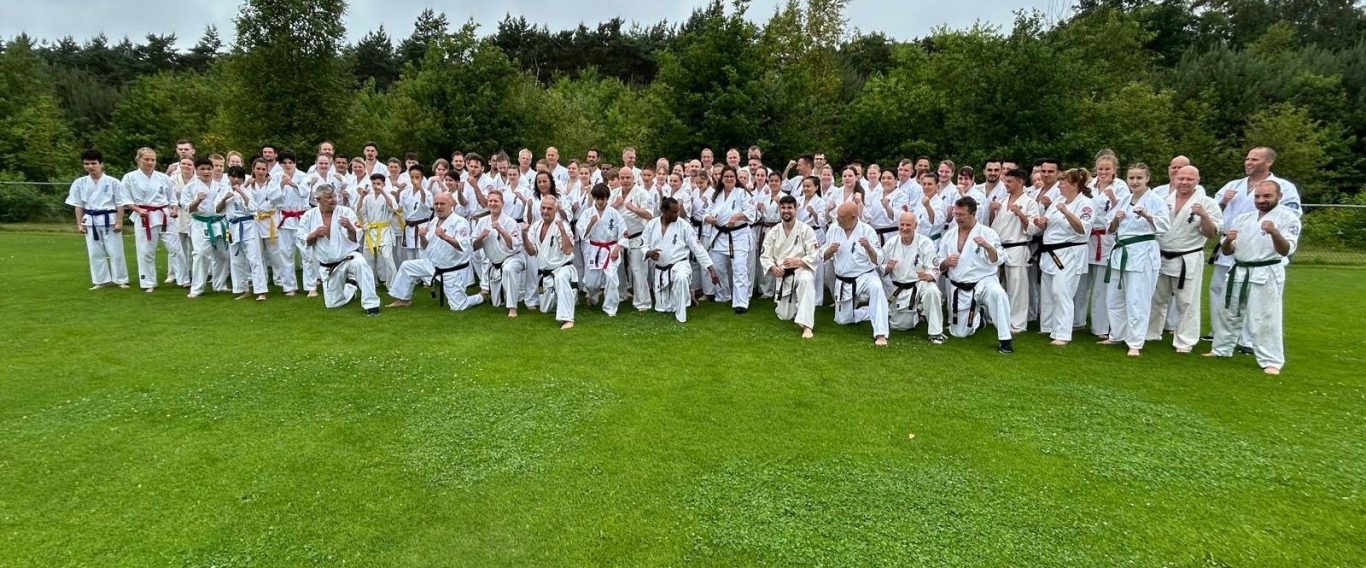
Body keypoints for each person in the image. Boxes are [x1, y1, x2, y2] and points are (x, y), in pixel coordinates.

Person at [1207, 147, 1302, 344]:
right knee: (1220, 289)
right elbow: (1213, 212)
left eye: (1254, 159)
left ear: (1269, 162)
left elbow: (1291, 215)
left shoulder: (1284, 187)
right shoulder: (1233, 185)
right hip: (1230, 243)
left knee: (1256, 297)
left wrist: (1269, 229)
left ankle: (1249, 339)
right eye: (1248, 159)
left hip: (1263, 247)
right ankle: (1220, 333)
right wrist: (1224, 201)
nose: (1248, 162)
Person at [1148, 165, 1221, 353]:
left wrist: (1204, 216)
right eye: (1181, 178)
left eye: (1189, 179)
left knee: (1187, 301)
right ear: (1174, 179)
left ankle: (1185, 340)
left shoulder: (1208, 203)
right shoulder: (1164, 200)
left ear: (1198, 180)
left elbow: (1211, 233)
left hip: (1187, 258)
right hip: (1162, 254)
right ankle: (1151, 333)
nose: (1184, 182)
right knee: (1156, 298)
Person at [1102, 164, 1171, 356]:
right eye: (1131, 178)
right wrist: (1116, 220)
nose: (1135, 181)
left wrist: (1147, 215)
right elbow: (1111, 228)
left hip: (1143, 253)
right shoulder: (1124, 200)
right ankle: (1117, 334)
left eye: (1139, 178)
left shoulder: (1155, 200)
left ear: (1147, 178)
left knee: (1137, 300)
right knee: (1114, 297)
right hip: (1120, 252)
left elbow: (1164, 226)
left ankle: (1135, 342)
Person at [936, 197, 1013, 352]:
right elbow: (938, 262)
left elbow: (998, 258)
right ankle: (979, 316)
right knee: (959, 333)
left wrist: (987, 246)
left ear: (973, 214)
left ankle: (1005, 339)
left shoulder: (987, 233)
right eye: (956, 214)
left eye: (962, 215)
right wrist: (946, 262)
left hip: (984, 281)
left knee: (998, 294)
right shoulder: (949, 236)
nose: (958, 218)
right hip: (960, 285)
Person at [388, 192, 483, 311]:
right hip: (433, 264)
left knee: (458, 306)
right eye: (436, 204)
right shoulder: (434, 221)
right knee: (407, 266)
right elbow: (426, 246)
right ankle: (404, 299)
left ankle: (481, 297)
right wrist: (422, 237)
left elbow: (463, 247)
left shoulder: (460, 222)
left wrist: (445, 237)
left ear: (451, 204)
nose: (438, 207)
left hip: (451, 269)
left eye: (442, 204)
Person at [300, 187, 380, 315]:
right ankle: (351, 286)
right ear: (318, 199)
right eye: (328, 197)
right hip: (329, 265)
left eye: (334, 196)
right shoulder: (309, 216)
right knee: (333, 304)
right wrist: (314, 234)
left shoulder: (346, 212)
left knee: (361, 264)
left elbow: (356, 238)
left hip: (349, 257)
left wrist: (350, 227)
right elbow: (304, 242)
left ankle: (371, 305)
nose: (333, 200)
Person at [1036, 168, 1094, 345]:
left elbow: (1083, 229)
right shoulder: (1058, 201)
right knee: (1048, 292)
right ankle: (1048, 327)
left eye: (1062, 183)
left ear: (1074, 185)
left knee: (1062, 292)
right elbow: (1046, 224)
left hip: (1070, 253)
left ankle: (1062, 333)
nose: (1059, 186)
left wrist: (1067, 212)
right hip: (1050, 252)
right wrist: (1041, 222)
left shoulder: (1086, 204)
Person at [644, 197, 720, 323]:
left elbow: (698, 249)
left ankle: (681, 317)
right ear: (663, 211)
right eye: (673, 212)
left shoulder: (684, 225)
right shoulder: (651, 225)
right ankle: (688, 295)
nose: (677, 214)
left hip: (680, 264)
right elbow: (643, 244)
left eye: (677, 211)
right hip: (661, 269)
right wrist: (648, 252)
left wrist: (711, 270)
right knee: (664, 308)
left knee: (681, 278)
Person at [823, 201, 889, 346]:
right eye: (837, 215)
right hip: (844, 279)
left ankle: (881, 334)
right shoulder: (833, 228)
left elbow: (878, 260)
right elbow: (823, 255)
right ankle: (870, 311)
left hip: (865, 275)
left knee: (877, 287)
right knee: (842, 320)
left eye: (841, 216)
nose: (837, 218)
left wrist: (868, 248)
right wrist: (829, 251)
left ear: (853, 217)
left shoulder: (867, 230)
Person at [66, 149, 131, 290]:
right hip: (90, 220)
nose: (90, 166)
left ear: (101, 164)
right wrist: (79, 224)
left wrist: (120, 222)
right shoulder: (79, 183)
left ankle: (120, 280)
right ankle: (100, 281)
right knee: (95, 253)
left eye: (93, 163)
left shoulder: (113, 182)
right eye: (86, 164)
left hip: (110, 219)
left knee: (115, 251)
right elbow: (78, 205)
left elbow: (120, 204)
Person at [1080, 150, 1129, 339]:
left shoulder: (1120, 186)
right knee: (1082, 284)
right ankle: (1077, 321)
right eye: (1100, 168)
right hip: (1088, 237)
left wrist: (1114, 199)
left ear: (1114, 169)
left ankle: (1100, 328)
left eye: (1107, 169)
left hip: (1106, 238)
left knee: (1101, 286)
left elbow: (1124, 211)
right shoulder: (1089, 185)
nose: (1103, 172)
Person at [759, 195, 821, 337]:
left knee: (807, 280)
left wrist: (798, 261)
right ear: (780, 209)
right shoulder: (774, 232)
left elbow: (814, 254)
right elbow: (765, 255)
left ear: (796, 209)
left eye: (789, 208)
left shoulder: (806, 230)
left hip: (801, 270)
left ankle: (807, 326)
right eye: (783, 208)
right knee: (785, 315)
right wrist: (773, 268)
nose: (786, 211)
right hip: (783, 275)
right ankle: (796, 308)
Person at [988, 168, 1040, 333]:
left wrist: (1020, 214)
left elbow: (1033, 229)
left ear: (1020, 182)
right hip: (1000, 248)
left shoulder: (1030, 203)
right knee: (1000, 286)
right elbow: (993, 228)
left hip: (1017, 247)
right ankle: (1000, 318)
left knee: (1017, 288)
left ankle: (1018, 323)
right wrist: (992, 211)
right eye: (1005, 181)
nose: (1006, 184)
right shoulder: (1002, 201)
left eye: (1009, 181)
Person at [121, 147, 179, 292]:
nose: (150, 162)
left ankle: (183, 279)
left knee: (175, 248)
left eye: (153, 160)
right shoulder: (129, 178)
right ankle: (148, 282)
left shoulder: (163, 177)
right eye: (146, 159)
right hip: (144, 216)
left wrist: (173, 209)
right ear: (138, 160)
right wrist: (138, 210)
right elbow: (125, 199)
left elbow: (172, 198)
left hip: (164, 215)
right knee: (146, 250)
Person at [882, 211, 945, 342]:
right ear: (898, 225)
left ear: (915, 225)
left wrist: (929, 276)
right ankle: (918, 312)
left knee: (932, 291)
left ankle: (936, 333)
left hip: (919, 283)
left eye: (908, 225)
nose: (904, 228)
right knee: (901, 326)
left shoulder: (925, 243)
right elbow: (881, 267)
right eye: (902, 224)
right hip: (899, 287)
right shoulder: (891, 243)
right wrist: (887, 267)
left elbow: (934, 268)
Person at [704, 165, 758, 313]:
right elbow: (705, 212)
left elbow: (752, 211)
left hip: (738, 235)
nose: (729, 179)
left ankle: (741, 302)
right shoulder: (716, 195)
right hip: (720, 235)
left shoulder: (742, 193)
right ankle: (723, 295)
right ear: (721, 179)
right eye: (726, 176)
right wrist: (708, 218)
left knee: (739, 268)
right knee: (717, 266)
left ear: (736, 179)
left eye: (731, 177)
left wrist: (736, 216)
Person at [524, 194, 578, 329]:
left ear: (556, 209)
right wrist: (524, 236)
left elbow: (568, 250)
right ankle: (567, 298)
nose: (545, 211)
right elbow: (531, 252)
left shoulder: (562, 225)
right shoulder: (536, 226)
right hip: (546, 273)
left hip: (563, 268)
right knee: (545, 309)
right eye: (543, 208)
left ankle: (567, 319)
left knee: (561, 278)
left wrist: (562, 231)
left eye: (549, 208)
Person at [217, 166, 269, 301]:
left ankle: (261, 290)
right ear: (228, 177)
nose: (236, 179)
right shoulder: (223, 191)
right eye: (233, 176)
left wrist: (241, 191)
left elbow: (253, 208)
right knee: (235, 260)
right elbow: (217, 210)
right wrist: (224, 199)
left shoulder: (247, 191)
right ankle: (242, 289)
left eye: (239, 177)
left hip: (248, 226)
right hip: (231, 227)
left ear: (242, 179)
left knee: (254, 259)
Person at [244, 158, 294, 296]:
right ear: (253, 169)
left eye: (263, 169)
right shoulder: (248, 185)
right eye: (258, 168)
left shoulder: (272, 184)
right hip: (254, 222)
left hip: (271, 220)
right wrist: (246, 184)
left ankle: (281, 280)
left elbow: (279, 200)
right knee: (258, 254)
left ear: (267, 170)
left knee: (276, 254)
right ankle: (262, 281)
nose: (260, 171)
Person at [182, 157, 230, 298]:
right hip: (200, 223)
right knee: (201, 254)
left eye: (209, 169)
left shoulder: (221, 186)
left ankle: (219, 285)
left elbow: (224, 206)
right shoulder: (189, 187)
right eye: (202, 169)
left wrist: (225, 198)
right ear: (196, 170)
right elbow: (187, 209)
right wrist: (197, 200)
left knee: (223, 254)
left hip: (219, 223)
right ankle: (196, 288)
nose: (206, 172)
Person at [472, 191, 525, 317]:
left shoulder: (510, 222)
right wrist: (480, 237)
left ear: (502, 203)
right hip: (495, 263)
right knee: (496, 303)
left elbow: (513, 245)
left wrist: (501, 230)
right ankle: (507, 297)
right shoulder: (482, 222)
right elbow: (474, 246)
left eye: (496, 201)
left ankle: (512, 309)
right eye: (490, 201)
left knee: (508, 269)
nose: (493, 203)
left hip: (514, 258)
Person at [577, 183, 626, 316]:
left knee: (611, 278)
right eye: (597, 199)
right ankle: (593, 296)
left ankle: (610, 308)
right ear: (593, 198)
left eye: (603, 199)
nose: (600, 202)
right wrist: (591, 223)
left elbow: (623, 233)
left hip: (611, 249)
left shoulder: (614, 214)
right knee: (591, 283)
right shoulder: (587, 213)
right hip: (594, 249)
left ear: (607, 198)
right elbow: (582, 234)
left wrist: (618, 248)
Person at [618, 168, 657, 311]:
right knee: (618, 269)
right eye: (622, 178)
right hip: (620, 239)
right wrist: (614, 205)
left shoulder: (642, 193)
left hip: (637, 236)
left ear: (633, 178)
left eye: (628, 177)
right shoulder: (615, 193)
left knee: (637, 270)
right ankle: (620, 295)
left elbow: (649, 215)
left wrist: (633, 208)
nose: (625, 181)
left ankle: (643, 302)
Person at [358, 173, 398, 287]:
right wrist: (361, 196)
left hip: (384, 230)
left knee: (387, 257)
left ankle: (392, 284)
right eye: (374, 184)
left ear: (383, 184)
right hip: (370, 230)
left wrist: (383, 193)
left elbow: (394, 208)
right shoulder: (367, 198)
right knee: (368, 258)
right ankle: (371, 282)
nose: (376, 186)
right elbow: (359, 211)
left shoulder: (388, 196)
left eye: (378, 184)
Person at [398, 164, 434, 265]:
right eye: (412, 177)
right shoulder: (405, 193)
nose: (414, 180)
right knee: (410, 256)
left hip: (422, 226)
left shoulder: (427, 193)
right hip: (409, 227)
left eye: (417, 177)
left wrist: (421, 189)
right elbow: (400, 208)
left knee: (421, 254)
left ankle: (425, 274)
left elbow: (426, 205)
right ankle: (412, 274)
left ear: (422, 178)